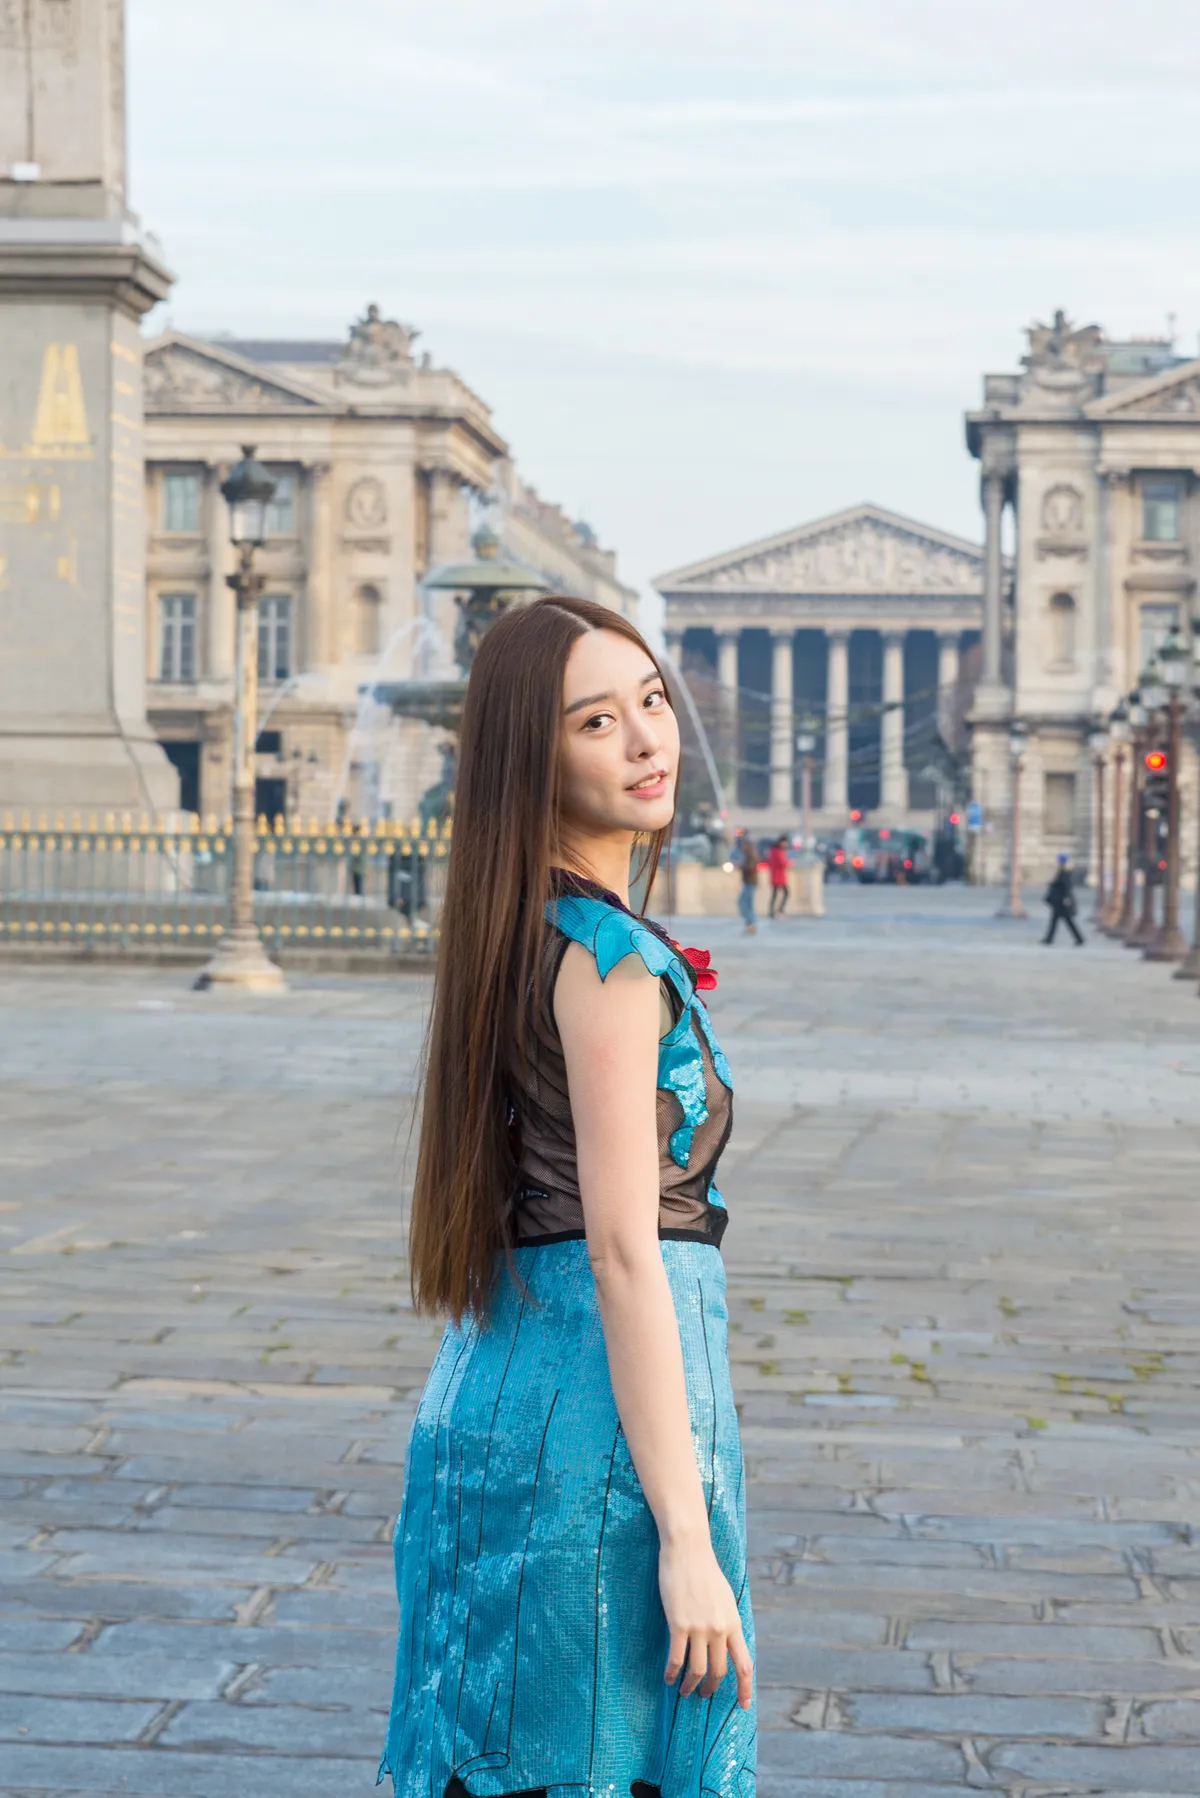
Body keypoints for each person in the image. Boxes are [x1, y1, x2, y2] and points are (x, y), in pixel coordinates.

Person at [379, 596, 755, 1798]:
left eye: (651, 700)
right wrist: (689, 1540)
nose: (649, 739)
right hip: (602, 1425)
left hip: (496, 1392)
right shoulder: (606, 956)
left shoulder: (513, 927)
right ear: (533, 756)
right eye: (599, 720)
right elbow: (624, 1251)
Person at [1043, 853, 1084, 946]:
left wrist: (1066, 898)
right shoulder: (1063, 872)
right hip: (1060, 901)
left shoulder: (1063, 872)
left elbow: (1066, 886)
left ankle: (1079, 939)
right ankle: (1049, 939)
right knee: (1058, 921)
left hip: (1061, 901)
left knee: (1065, 921)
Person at [735, 828, 759, 933]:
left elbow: (751, 866)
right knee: (748, 903)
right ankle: (750, 923)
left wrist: (741, 865)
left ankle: (751, 921)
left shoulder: (751, 854)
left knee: (743, 902)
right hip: (749, 881)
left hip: (750, 881)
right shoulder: (749, 854)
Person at [767, 834, 791, 916]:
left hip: (776, 876)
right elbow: (782, 863)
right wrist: (790, 862)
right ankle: (778, 910)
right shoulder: (778, 851)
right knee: (785, 893)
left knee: (775, 894)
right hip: (778, 876)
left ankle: (773, 911)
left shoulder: (774, 850)